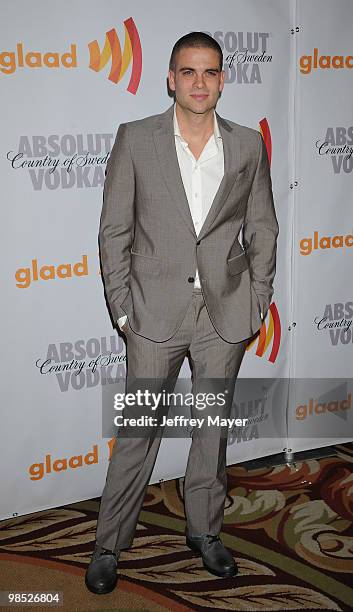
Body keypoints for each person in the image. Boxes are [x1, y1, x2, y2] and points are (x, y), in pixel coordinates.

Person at [85, 31, 279, 594]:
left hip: (224, 314)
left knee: (211, 432)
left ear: (222, 79)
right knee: (139, 431)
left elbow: (261, 227)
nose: (200, 82)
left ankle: (205, 533)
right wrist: (123, 309)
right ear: (170, 78)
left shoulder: (246, 145)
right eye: (189, 72)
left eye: (210, 72)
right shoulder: (136, 139)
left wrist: (258, 299)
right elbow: (114, 230)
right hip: (152, 313)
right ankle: (107, 544)